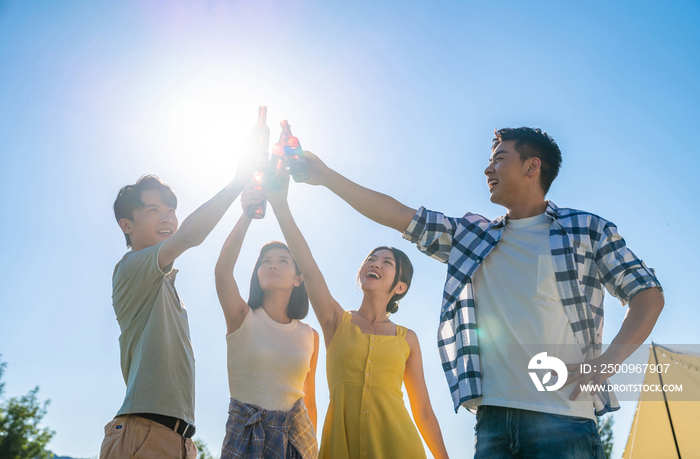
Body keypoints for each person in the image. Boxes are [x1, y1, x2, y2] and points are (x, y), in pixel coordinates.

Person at [298, 127, 664, 458]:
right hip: (492, 427)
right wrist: (326, 177)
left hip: (564, 422)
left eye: (499, 160)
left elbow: (647, 293)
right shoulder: (472, 237)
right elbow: (398, 215)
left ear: (532, 166)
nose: (488, 170)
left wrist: (606, 363)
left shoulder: (585, 229)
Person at [249, 175, 450, 459]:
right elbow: (307, 264)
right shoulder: (335, 322)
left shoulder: (408, 340)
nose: (375, 264)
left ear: (400, 287)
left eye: (386, 263)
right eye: (371, 259)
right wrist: (280, 204)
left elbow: (425, 412)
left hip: (400, 448)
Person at [101, 165, 252, 459]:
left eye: (171, 210)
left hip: (179, 439)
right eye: (153, 209)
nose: (167, 217)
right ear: (126, 225)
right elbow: (188, 237)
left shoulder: (165, 286)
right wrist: (237, 184)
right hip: (144, 432)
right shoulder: (130, 268)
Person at [214, 198, 320, 459]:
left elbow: (309, 399)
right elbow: (222, 273)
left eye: (283, 261)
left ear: (298, 279)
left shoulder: (310, 335)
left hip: (297, 442)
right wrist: (247, 214)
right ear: (257, 273)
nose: (272, 264)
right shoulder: (241, 317)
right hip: (245, 439)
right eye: (265, 261)